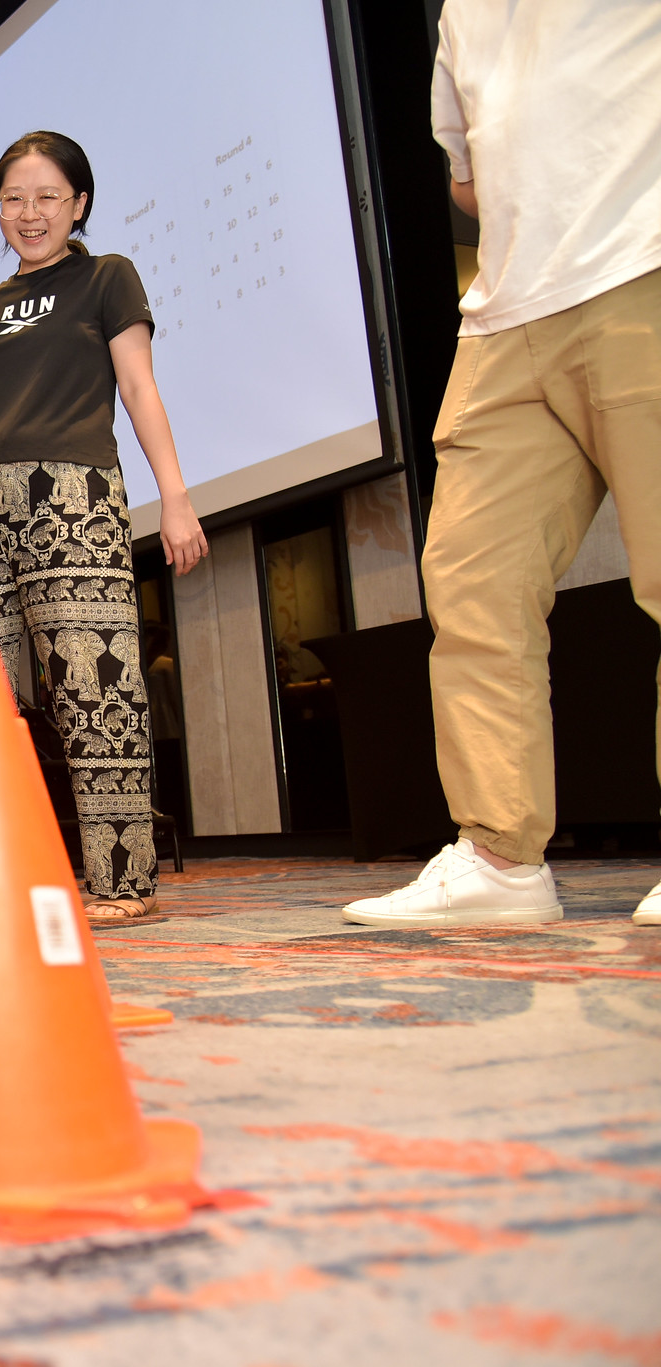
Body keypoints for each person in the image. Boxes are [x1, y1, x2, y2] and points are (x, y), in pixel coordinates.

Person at [346, 2, 661, 929]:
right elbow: (471, 180)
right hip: (504, 320)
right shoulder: (459, 17)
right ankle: (499, 857)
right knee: (471, 584)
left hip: (643, 273)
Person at [0, 130, 208, 921]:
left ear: (79, 204)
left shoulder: (106, 278)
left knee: (96, 692)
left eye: (48, 196)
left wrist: (177, 496)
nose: (30, 213)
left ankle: (122, 883)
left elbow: (139, 385)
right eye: (14, 199)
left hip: (74, 499)